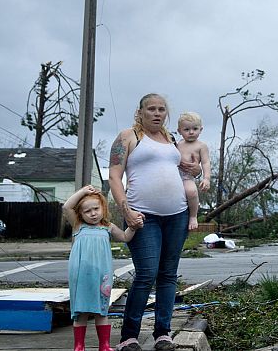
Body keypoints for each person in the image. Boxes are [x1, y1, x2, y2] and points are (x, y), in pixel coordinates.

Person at [109, 93, 200, 351]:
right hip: (142, 217)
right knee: (146, 274)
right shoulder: (128, 137)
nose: (157, 113)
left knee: (168, 275)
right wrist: (126, 211)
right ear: (140, 112)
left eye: (161, 109)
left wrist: (197, 171)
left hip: (177, 215)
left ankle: (163, 333)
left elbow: (185, 169)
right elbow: (114, 177)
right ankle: (129, 336)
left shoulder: (172, 139)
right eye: (151, 109)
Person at [64, 185, 138, 351]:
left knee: (101, 311)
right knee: (80, 312)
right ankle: (79, 346)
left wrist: (133, 226)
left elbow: (125, 237)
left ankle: (104, 346)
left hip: (101, 275)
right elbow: (66, 206)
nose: (93, 213)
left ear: (103, 208)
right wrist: (83, 192)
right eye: (87, 211)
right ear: (80, 214)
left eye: (96, 208)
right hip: (80, 275)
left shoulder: (108, 227)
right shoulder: (78, 226)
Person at [175, 112, 211, 231]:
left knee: (191, 192)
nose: (191, 132)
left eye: (195, 129)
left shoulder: (201, 146)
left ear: (201, 129)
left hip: (187, 176)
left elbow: (205, 162)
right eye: (186, 129)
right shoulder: (178, 144)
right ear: (179, 131)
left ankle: (193, 216)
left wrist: (206, 178)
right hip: (174, 175)